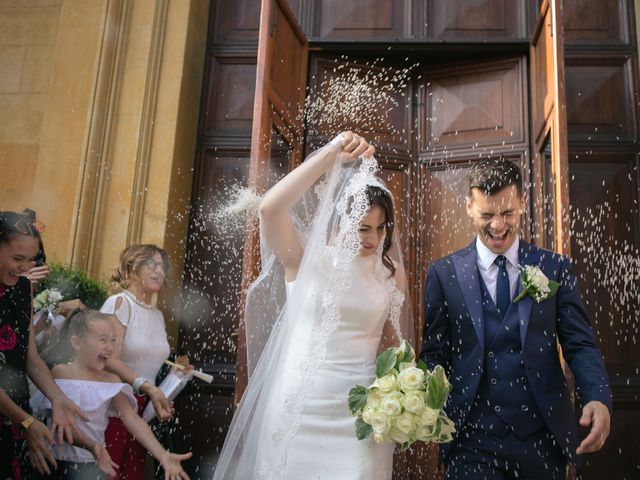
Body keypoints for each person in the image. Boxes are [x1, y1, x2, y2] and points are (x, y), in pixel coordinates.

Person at [213, 132, 413, 479]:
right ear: (341, 220)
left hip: (362, 410)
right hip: (300, 404)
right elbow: (269, 208)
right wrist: (330, 156)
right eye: (363, 227)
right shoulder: (306, 261)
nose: (373, 239)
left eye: (381, 229)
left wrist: (407, 391)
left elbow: (393, 345)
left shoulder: (389, 275)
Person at [420, 159, 612, 479]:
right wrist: (414, 403)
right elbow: (434, 354)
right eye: (487, 214)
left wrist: (598, 397)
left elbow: (580, 344)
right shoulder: (443, 274)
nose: (498, 225)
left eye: (507, 213)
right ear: (469, 207)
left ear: (522, 203)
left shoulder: (554, 269)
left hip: (541, 439)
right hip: (471, 439)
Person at [31, 308, 192, 480]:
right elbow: (57, 423)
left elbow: (132, 418)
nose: (110, 347)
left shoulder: (112, 381)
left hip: (93, 465)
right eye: (102, 340)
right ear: (77, 343)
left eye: (113, 340)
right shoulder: (60, 373)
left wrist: (162, 455)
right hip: (54, 463)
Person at [0, 209, 89, 479]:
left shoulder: (21, 288)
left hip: (15, 414)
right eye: (17, 258)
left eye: (32, 259)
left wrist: (59, 399)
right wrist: (26, 421)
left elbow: (31, 357)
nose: (26, 268)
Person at [100, 244, 192, 480]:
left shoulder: (157, 314)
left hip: (142, 413)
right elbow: (108, 358)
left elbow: (150, 366)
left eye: (163, 266)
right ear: (132, 268)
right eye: (152, 265)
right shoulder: (119, 303)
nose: (160, 272)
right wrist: (146, 386)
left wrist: (174, 378)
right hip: (113, 408)